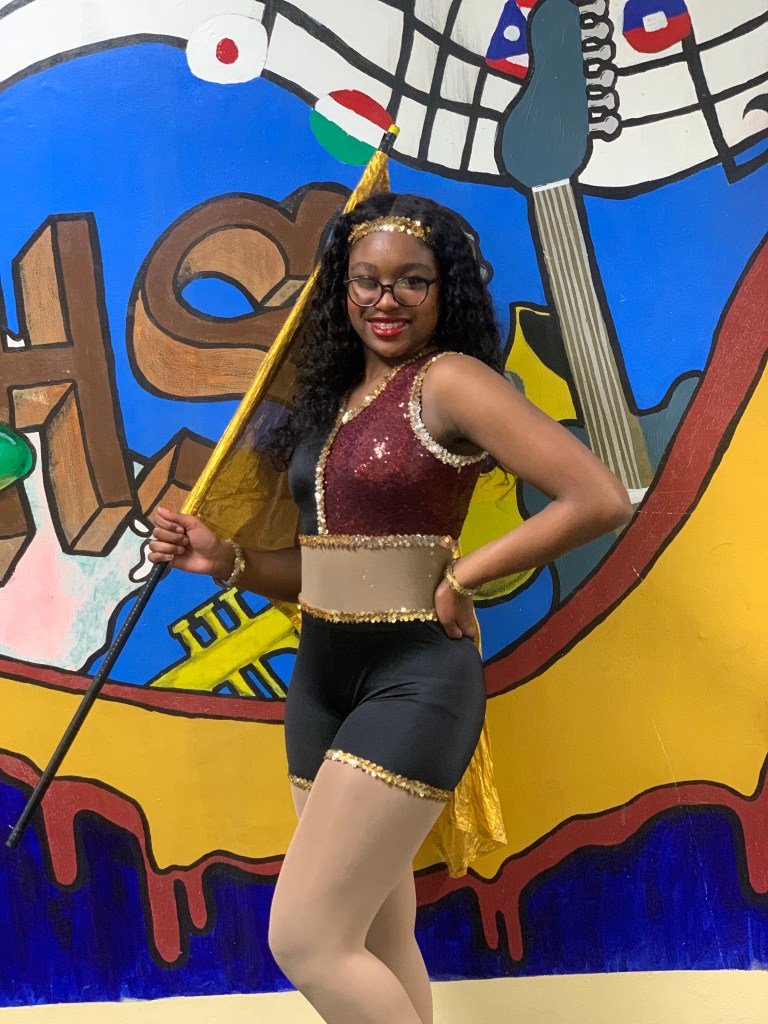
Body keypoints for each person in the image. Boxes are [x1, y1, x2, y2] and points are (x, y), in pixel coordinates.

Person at [149, 192, 632, 1024]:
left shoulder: (451, 381)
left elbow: (598, 497)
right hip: (320, 684)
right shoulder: (334, 399)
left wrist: (464, 575)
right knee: (374, 931)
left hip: (415, 681)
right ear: (341, 289)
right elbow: (323, 570)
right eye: (366, 280)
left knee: (306, 938)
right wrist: (224, 560)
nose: (387, 299)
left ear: (446, 291)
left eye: (413, 280)